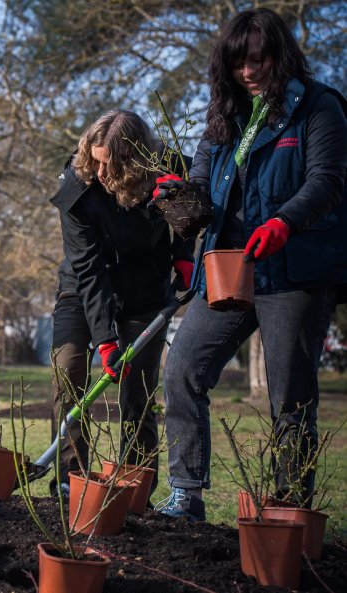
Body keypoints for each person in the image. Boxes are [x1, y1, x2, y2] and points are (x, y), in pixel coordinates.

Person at [155, 8, 347, 521]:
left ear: (280, 56)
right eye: (239, 63)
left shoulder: (318, 107)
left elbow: (327, 180)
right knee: (181, 371)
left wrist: (286, 221)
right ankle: (186, 494)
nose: (249, 72)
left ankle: (286, 514)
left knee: (290, 399)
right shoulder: (224, 116)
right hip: (227, 269)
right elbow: (199, 179)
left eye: (258, 60)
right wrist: (180, 198)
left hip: (294, 272)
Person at [49, 110, 194, 499]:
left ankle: (136, 487)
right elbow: (88, 269)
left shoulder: (168, 165)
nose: (98, 170)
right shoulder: (77, 183)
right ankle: (69, 478)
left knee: (139, 393)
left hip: (145, 290)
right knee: (68, 372)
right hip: (82, 290)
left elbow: (197, 206)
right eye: (94, 159)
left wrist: (184, 252)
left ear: (135, 161)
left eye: (108, 163)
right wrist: (107, 341)